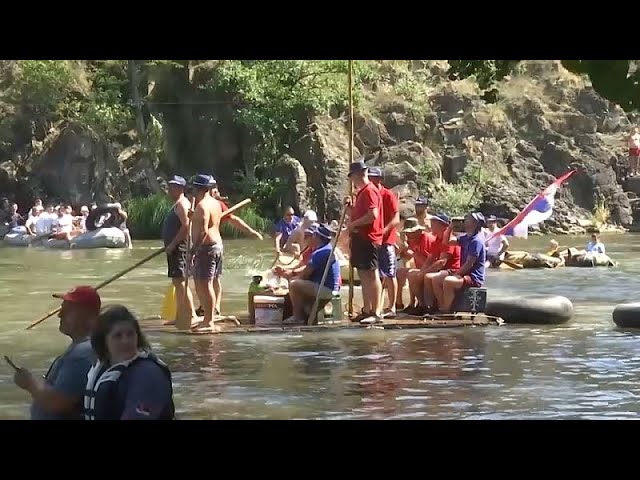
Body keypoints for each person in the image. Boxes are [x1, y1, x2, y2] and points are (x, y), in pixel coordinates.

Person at [12, 286, 100, 420]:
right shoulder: (84, 348)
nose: (60, 314)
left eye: (68, 310)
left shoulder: (83, 353)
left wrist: (30, 383)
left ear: (89, 316)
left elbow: (59, 402)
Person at [84, 305, 175, 420]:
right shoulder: (101, 367)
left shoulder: (148, 374)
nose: (126, 340)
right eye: (118, 336)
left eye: (130, 334)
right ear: (103, 340)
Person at [273, 224, 340, 324]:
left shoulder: (320, 252)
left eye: (314, 235)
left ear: (317, 237)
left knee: (294, 284)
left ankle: (298, 317)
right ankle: (305, 312)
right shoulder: (327, 248)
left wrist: (288, 275)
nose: (311, 237)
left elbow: (305, 273)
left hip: (327, 290)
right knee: (297, 283)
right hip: (329, 288)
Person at [345, 160, 384, 324]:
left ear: (357, 175)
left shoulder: (369, 191)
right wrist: (349, 209)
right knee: (363, 274)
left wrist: (353, 224)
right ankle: (367, 309)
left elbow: (372, 215)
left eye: (352, 177)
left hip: (369, 238)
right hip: (360, 238)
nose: (351, 181)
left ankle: (375, 312)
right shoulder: (361, 193)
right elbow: (358, 213)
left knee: (371, 273)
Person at [161, 175, 199, 328]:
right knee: (177, 282)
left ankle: (191, 315)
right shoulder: (178, 204)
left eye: (173, 186)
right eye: (169, 186)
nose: (169, 189)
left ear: (181, 188)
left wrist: (172, 245)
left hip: (179, 248)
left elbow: (186, 226)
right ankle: (180, 315)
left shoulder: (183, 204)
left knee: (181, 282)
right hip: (174, 249)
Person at [433, 212, 487, 313]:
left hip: (473, 277)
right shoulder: (465, 237)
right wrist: (449, 228)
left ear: (475, 224)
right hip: (463, 273)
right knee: (436, 279)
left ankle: (446, 310)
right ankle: (441, 306)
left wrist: (456, 274)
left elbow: (469, 264)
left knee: (448, 281)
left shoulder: (476, 241)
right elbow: (446, 242)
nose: (465, 220)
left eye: (468, 218)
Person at [190, 174, 223, 332]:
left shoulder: (202, 206)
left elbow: (203, 231)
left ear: (197, 188)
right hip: (216, 245)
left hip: (207, 248)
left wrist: (193, 250)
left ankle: (209, 321)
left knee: (205, 284)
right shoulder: (215, 203)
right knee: (203, 283)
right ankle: (208, 317)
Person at [368, 167, 400, 319]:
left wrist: (384, 231)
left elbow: (396, 219)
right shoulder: (366, 193)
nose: (370, 180)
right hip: (372, 240)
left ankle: (392, 307)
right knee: (374, 273)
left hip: (386, 240)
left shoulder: (388, 195)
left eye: (373, 177)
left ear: (379, 179)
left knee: (389, 272)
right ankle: (374, 307)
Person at [421, 214, 461, 314]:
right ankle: (428, 305)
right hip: (443, 270)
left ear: (442, 226)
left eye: (434, 224)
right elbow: (431, 257)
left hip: (452, 270)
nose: (431, 226)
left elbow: (442, 262)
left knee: (432, 278)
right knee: (423, 276)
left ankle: (442, 306)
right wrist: (422, 270)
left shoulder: (449, 239)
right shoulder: (437, 240)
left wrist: (425, 271)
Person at [395, 217, 435, 313]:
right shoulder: (412, 240)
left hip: (431, 268)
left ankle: (422, 305)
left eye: (410, 232)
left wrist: (412, 253)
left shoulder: (427, 239)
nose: (408, 234)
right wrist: (402, 248)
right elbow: (406, 257)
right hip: (420, 268)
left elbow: (428, 261)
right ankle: (400, 303)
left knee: (412, 274)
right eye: (407, 232)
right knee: (399, 273)